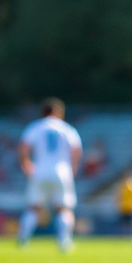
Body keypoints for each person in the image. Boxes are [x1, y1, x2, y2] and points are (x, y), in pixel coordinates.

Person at [18, 98, 82, 253]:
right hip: (61, 170)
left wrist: (26, 165)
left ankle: (23, 239)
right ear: (60, 112)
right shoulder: (66, 128)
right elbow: (76, 149)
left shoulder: (35, 127)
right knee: (64, 209)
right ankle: (64, 241)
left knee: (34, 208)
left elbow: (23, 148)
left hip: (39, 170)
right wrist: (73, 168)